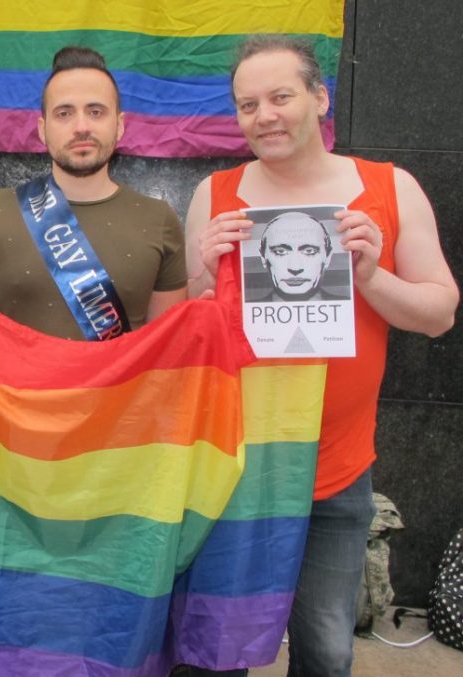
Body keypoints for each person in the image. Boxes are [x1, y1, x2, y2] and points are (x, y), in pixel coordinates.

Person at [186, 35, 458, 676]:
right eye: (248, 104)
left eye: (281, 96)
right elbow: (187, 331)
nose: (265, 115)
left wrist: (371, 276)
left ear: (319, 97)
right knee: (215, 647)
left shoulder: (389, 188)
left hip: (336, 469)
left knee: (327, 648)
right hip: (232, 464)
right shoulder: (215, 194)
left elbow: (441, 313)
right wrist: (203, 271)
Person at [0, 45, 187, 339]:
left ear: (119, 125)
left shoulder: (158, 219)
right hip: (17, 386)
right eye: (64, 113)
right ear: (42, 129)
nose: (81, 127)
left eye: (96, 112)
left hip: (121, 387)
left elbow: (166, 350)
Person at [249, 211, 346, 302]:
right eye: (280, 252)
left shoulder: (348, 307)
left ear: (328, 257)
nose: (295, 267)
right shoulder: (244, 313)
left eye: (309, 251)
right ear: (263, 257)